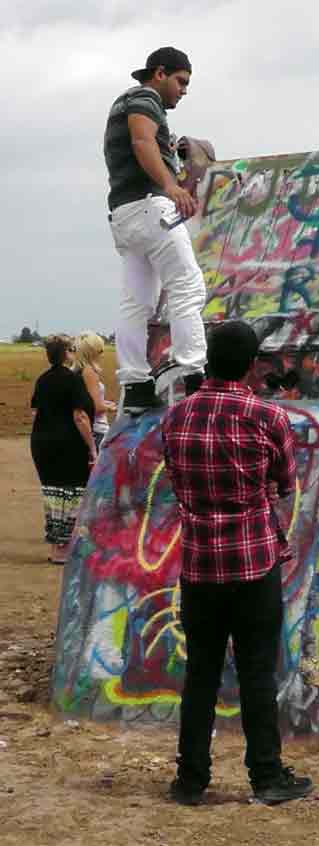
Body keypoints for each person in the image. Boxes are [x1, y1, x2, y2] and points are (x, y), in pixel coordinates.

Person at [161, 320, 313, 806]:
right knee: (256, 673)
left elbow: (175, 481)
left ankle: (190, 779)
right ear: (252, 366)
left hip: (200, 564)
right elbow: (287, 483)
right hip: (253, 566)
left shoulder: (176, 417)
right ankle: (266, 775)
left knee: (200, 675)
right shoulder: (267, 417)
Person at [104, 46, 207, 413]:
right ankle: (196, 379)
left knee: (136, 302)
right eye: (181, 81)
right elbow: (142, 141)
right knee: (187, 286)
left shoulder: (125, 101)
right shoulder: (144, 97)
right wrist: (172, 185)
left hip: (124, 213)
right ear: (159, 73)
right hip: (150, 207)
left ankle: (135, 386)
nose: (183, 90)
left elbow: (144, 145)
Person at [30, 336, 97, 565]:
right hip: (68, 444)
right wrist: (92, 446)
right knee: (71, 494)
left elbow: (35, 413)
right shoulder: (73, 381)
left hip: (42, 443)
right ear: (67, 353)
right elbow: (80, 417)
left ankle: (55, 547)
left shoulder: (42, 380)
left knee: (53, 495)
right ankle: (63, 550)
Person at [73, 331, 117, 450]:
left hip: (86, 430)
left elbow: (86, 401)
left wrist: (105, 403)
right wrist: (110, 407)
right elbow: (96, 407)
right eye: (100, 351)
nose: (102, 355)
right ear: (92, 353)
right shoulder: (89, 372)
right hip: (98, 430)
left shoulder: (76, 371)